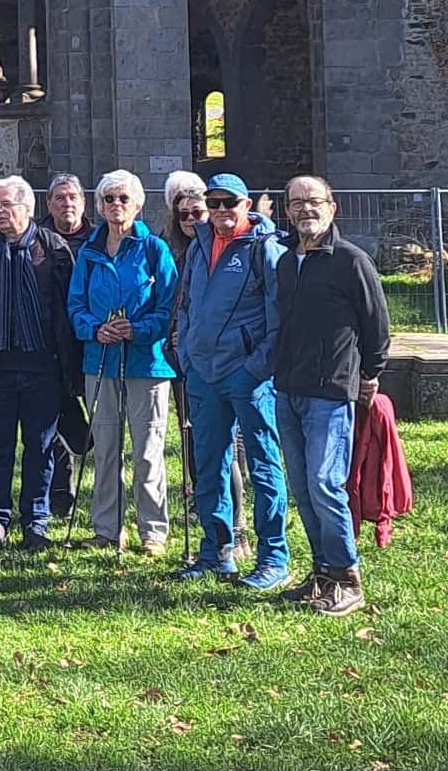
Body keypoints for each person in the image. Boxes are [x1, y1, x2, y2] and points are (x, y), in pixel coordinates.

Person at [273, 175, 391, 616]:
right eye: (297, 202)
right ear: (287, 210)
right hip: (288, 390)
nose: (306, 209)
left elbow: (376, 326)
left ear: (332, 207)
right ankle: (322, 572)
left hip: (331, 391)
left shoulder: (351, 261)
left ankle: (347, 577)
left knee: (325, 483)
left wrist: (371, 374)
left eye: (314, 201)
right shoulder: (286, 261)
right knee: (302, 488)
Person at [175, 172, 289, 590]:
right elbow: (186, 304)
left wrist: (256, 367)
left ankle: (273, 556)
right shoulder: (198, 245)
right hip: (203, 374)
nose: (222, 210)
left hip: (247, 377)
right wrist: (185, 351)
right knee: (208, 466)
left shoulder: (265, 249)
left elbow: (280, 316)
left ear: (246, 206)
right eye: (215, 202)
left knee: (262, 465)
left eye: (231, 203)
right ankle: (215, 552)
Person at [0, 176, 77, 551]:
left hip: (43, 366)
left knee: (40, 448)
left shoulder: (54, 249)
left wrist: (69, 371)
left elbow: (66, 313)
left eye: (6, 205)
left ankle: (35, 522)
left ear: (27, 207)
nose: (0, 212)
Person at [66, 170, 177, 555]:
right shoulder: (90, 251)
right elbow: (75, 304)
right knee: (106, 448)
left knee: (148, 450)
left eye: (123, 199)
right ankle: (106, 528)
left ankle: (153, 531)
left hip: (147, 364)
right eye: (109, 199)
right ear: (99, 206)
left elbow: (170, 306)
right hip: (100, 362)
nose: (116, 205)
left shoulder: (154, 250)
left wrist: (140, 328)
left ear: (138, 204)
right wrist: (94, 329)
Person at [38, 174, 92, 520]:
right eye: (59, 198)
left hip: (89, 342)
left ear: (83, 203)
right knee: (52, 420)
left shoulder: (99, 239)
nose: (66, 204)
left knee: (100, 425)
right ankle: (60, 492)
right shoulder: (37, 240)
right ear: (48, 204)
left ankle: (108, 499)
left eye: (72, 197)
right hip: (50, 345)